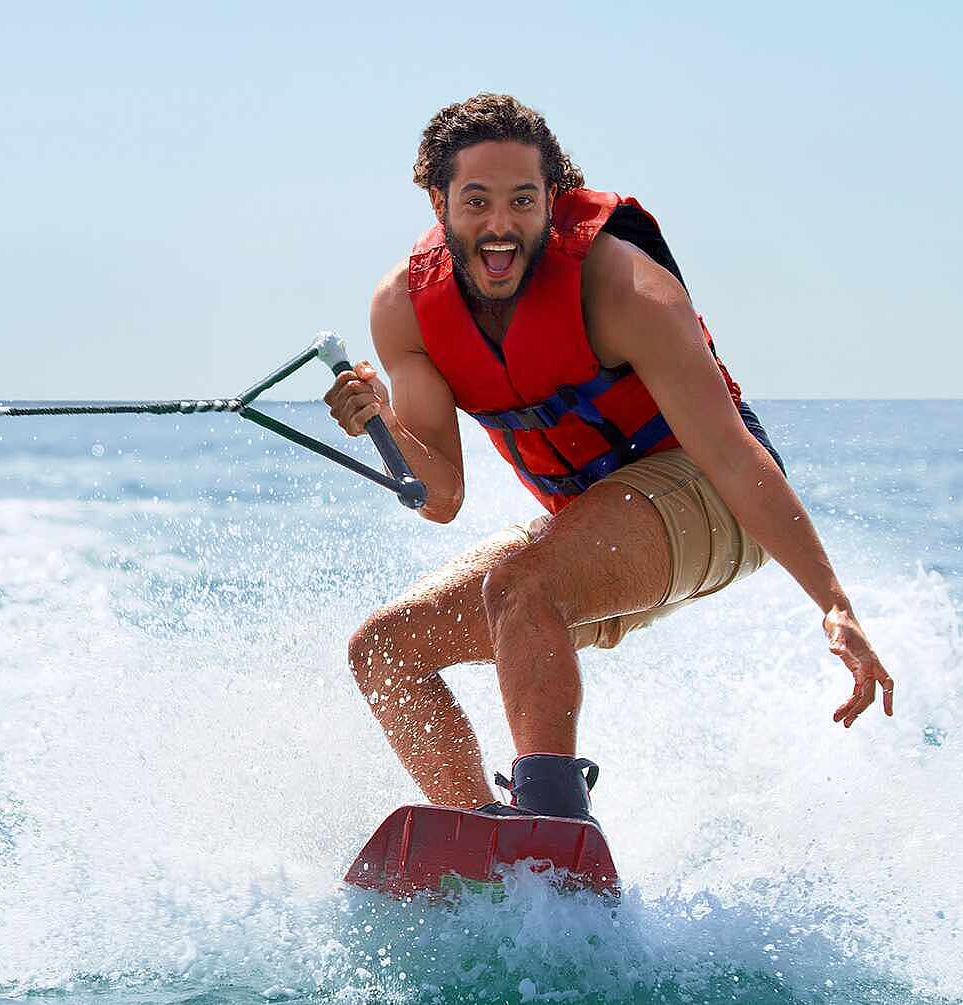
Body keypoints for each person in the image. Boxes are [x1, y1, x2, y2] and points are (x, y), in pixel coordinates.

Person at [325, 93, 894, 824]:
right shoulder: (405, 308)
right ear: (437, 201)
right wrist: (380, 425)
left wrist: (833, 604)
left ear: (551, 200)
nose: (500, 225)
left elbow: (730, 453)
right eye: (475, 201)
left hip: (711, 490)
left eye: (522, 200)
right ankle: (487, 844)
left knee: (520, 584)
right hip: (592, 524)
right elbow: (440, 495)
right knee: (384, 650)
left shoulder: (625, 288)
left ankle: (556, 824)